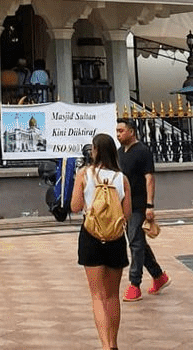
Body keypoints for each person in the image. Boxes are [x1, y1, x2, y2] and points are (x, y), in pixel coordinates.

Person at [71, 132, 132, 350]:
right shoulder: (121, 178)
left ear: (95, 151)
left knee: (97, 295)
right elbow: (127, 214)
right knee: (113, 295)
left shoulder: (84, 174)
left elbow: (75, 206)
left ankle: (105, 345)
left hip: (91, 236)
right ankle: (114, 343)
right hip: (115, 239)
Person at [115, 116, 169, 301]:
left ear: (131, 131)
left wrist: (150, 205)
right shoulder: (119, 152)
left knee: (135, 244)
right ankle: (159, 276)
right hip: (124, 204)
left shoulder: (143, 151)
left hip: (139, 204)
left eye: (121, 131)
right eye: (117, 131)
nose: (118, 134)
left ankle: (134, 283)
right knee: (138, 241)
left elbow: (149, 178)